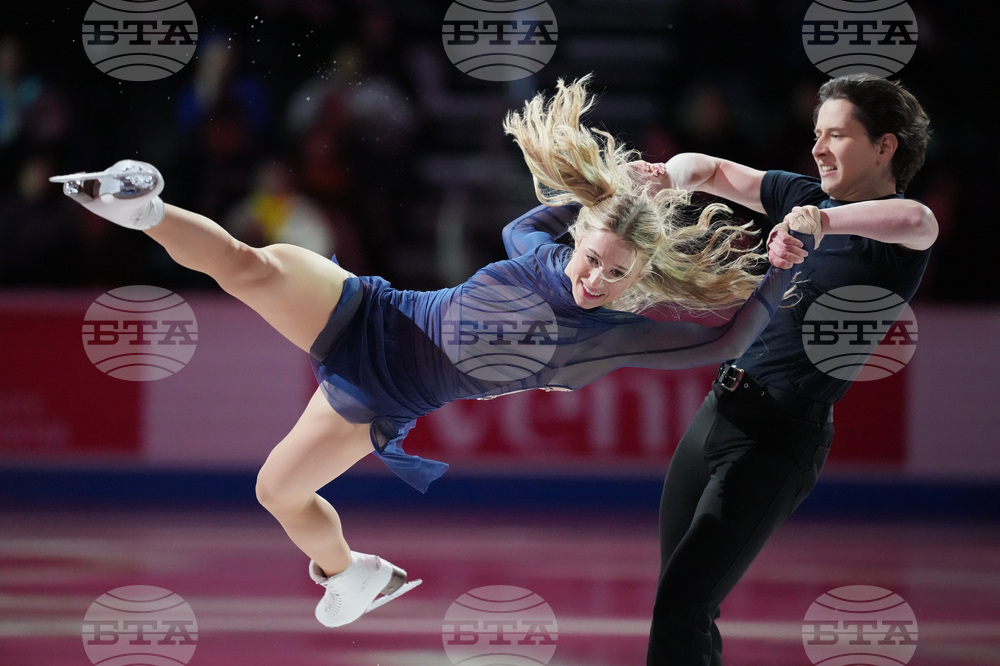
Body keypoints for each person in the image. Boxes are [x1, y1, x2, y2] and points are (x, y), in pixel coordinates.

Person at [51, 76, 819, 631]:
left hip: (382, 396)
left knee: (277, 493)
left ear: (639, 278)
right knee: (248, 265)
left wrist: (781, 276)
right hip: (368, 310)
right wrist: (625, 185)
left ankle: (348, 574)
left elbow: (719, 341)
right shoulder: (533, 238)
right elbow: (568, 210)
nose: (597, 278)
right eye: (592, 258)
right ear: (578, 237)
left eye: (619, 274)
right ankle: (140, 204)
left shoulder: (609, 333)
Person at [643, 73, 937, 665]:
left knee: (683, 603)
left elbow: (915, 220)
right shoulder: (803, 197)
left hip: (779, 439)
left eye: (837, 135)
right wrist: (665, 179)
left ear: (885, 147)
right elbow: (707, 168)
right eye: (816, 134)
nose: (818, 147)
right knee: (683, 599)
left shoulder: (894, 237)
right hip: (717, 413)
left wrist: (821, 223)